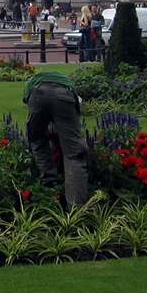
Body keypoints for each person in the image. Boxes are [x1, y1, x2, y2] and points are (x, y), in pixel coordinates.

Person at [23, 70, 88, 210]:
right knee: (74, 154)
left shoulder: (30, 85)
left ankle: (50, 186)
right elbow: (74, 113)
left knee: (37, 139)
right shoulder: (69, 86)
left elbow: (30, 109)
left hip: (36, 94)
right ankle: (76, 208)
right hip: (64, 95)